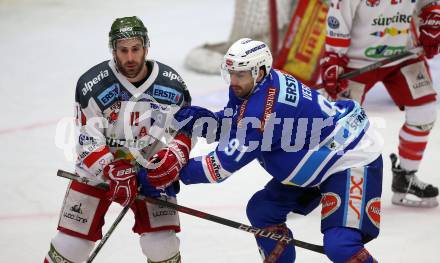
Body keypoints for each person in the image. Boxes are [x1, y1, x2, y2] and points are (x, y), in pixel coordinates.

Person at [145, 38, 383, 262]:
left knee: (342, 246)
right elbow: (235, 124)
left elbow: (219, 167)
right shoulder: (256, 86)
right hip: (320, 158)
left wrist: (170, 171)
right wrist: (203, 121)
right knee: (263, 211)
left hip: (350, 158)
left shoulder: (263, 112)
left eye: (240, 74)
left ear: (258, 72)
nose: (234, 81)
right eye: (231, 74)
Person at [44, 16, 192, 263]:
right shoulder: (92, 84)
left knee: (161, 246)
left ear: (146, 47)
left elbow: (186, 131)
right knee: (71, 246)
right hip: (98, 172)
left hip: (150, 172)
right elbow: (87, 140)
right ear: (113, 50)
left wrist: (172, 157)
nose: (130, 57)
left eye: (135, 49)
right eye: (123, 51)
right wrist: (109, 169)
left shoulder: (172, 84)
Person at [320, 0, 439, 207]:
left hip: (403, 55)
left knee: (424, 112)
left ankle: (406, 177)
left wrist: (432, 19)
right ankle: (316, 178)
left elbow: (428, 4)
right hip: (355, 60)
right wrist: (333, 59)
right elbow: (338, 22)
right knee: (338, 123)